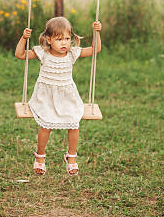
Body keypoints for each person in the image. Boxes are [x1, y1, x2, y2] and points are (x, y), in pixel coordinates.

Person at [15, 17, 102, 176]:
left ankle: (71, 157)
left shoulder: (72, 53)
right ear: (48, 39)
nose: (64, 43)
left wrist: (96, 33)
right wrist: (23, 38)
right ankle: (40, 157)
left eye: (67, 39)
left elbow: (95, 49)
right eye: (59, 39)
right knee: (46, 125)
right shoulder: (43, 53)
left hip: (67, 96)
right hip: (45, 97)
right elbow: (20, 54)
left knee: (74, 123)